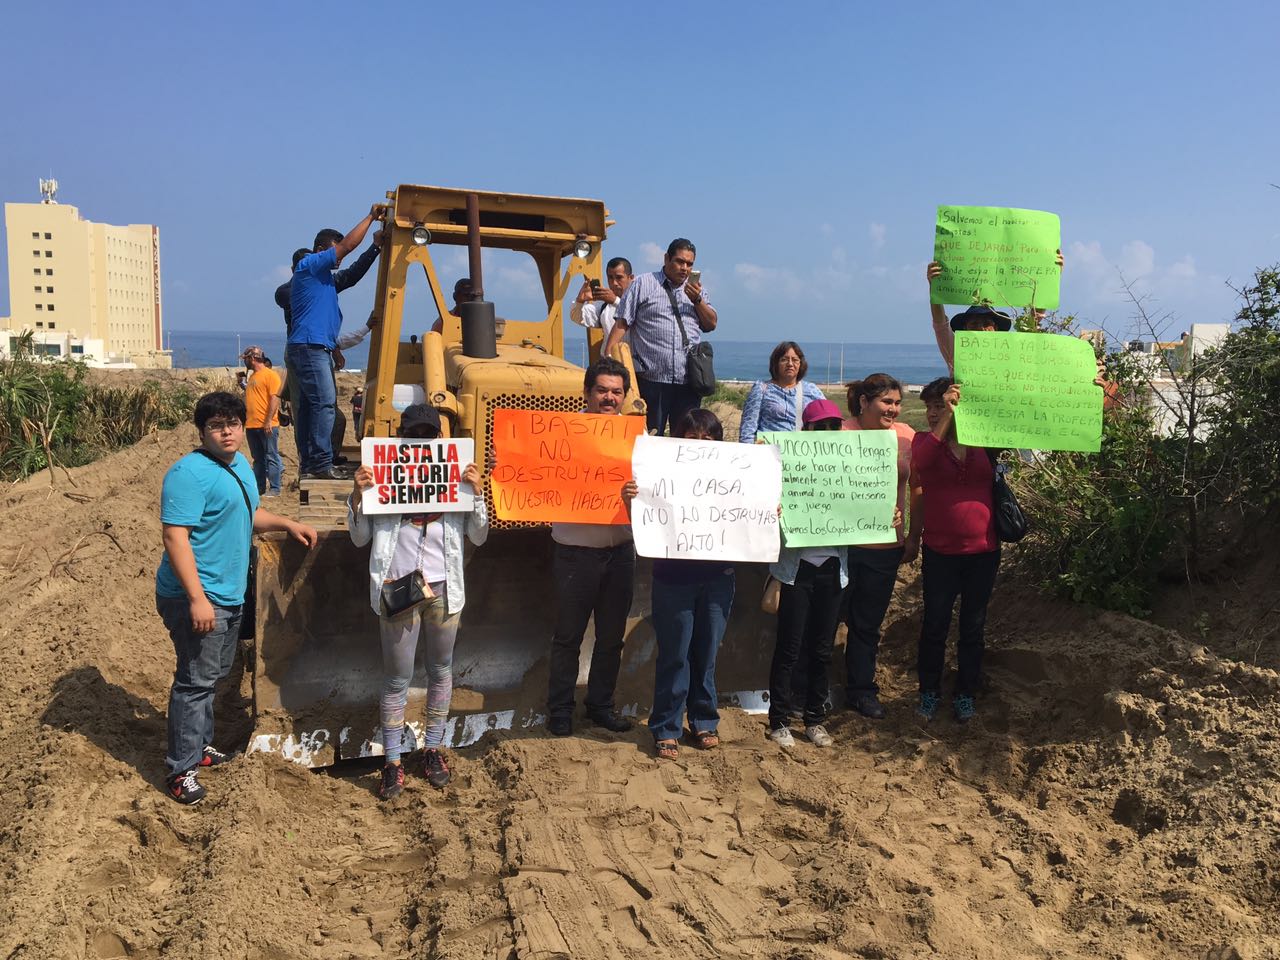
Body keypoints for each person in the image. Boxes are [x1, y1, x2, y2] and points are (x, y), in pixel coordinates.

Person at [156, 391, 318, 804]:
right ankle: (181, 769)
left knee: (212, 673)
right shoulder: (188, 474)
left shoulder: (241, 466)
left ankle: (200, 744)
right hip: (196, 593)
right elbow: (175, 537)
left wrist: (284, 522)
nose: (226, 432)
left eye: (232, 424)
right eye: (216, 425)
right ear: (202, 431)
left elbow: (248, 512)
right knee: (194, 681)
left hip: (229, 591)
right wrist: (196, 598)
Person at [348, 403, 488, 800]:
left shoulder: (457, 480)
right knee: (397, 678)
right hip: (398, 590)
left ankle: (434, 749)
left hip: (445, 589)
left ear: (439, 440)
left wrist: (477, 495)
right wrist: (357, 497)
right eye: (415, 436)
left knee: (441, 670)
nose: (423, 443)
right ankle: (392, 761)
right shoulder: (381, 478)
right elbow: (359, 538)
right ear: (402, 438)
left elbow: (478, 536)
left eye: (429, 436)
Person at [623, 408, 735, 760]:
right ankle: (666, 726)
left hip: (719, 579)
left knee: (707, 653)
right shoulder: (660, 473)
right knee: (674, 654)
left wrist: (765, 510)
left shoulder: (735, 475)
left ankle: (704, 720)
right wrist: (632, 503)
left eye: (708, 438)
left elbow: (749, 517)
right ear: (678, 440)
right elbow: (643, 522)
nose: (700, 444)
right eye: (692, 437)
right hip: (673, 578)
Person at [545, 357, 637, 736]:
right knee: (568, 636)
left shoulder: (638, 440)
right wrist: (508, 464)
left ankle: (600, 705)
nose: (609, 397)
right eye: (602, 390)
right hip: (574, 552)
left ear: (625, 396)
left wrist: (637, 491)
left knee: (612, 638)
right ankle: (560, 711)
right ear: (587, 392)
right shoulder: (561, 433)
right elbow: (535, 474)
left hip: (620, 552)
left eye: (617, 391)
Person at [906, 377, 999, 724]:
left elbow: (1038, 428)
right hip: (940, 552)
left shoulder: (986, 441)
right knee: (935, 625)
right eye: (930, 407)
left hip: (983, 551)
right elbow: (924, 462)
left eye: (939, 406)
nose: (932, 413)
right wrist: (946, 417)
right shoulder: (924, 443)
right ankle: (929, 692)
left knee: (973, 627)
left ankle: (965, 694)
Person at [766, 398, 850, 749]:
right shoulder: (785, 463)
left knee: (821, 650)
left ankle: (815, 719)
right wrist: (774, 506)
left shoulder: (849, 465)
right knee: (789, 648)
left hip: (833, 570)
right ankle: (779, 721)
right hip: (795, 570)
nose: (828, 433)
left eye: (834, 427)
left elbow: (866, 504)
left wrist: (885, 516)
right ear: (807, 429)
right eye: (821, 427)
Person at [287, 206, 384, 480]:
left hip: (312, 347)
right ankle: (320, 463)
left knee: (309, 407)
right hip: (310, 347)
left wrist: (375, 248)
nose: (337, 257)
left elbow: (352, 275)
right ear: (320, 250)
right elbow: (348, 247)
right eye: (333, 250)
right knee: (325, 404)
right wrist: (371, 218)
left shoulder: (323, 280)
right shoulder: (309, 267)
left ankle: (310, 462)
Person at [840, 374, 915, 718]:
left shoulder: (905, 437)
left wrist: (913, 535)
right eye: (887, 402)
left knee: (867, 625)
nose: (894, 409)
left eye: (898, 403)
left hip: (885, 548)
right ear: (864, 402)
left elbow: (918, 488)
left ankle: (861, 690)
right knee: (826, 621)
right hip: (838, 545)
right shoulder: (839, 432)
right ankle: (810, 689)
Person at [604, 238, 718, 435]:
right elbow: (622, 323)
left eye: (689, 264)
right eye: (679, 261)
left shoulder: (697, 290)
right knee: (648, 436)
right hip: (651, 380)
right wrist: (608, 359)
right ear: (666, 259)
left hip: (687, 381)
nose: (685, 268)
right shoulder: (643, 283)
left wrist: (697, 300)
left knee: (685, 438)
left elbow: (711, 323)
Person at [277, 232, 383, 429]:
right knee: (307, 408)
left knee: (326, 410)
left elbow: (352, 275)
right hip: (304, 349)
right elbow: (306, 315)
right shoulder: (288, 290)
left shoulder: (324, 284)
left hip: (319, 348)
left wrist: (375, 248)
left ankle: (324, 453)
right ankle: (313, 456)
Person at [925, 252, 1064, 373]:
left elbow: (1033, 320)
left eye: (986, 324)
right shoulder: (955, 352)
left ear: (996, 328)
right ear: (964, 329)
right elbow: (940, 324)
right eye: (974, 324)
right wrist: (934, 286)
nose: (981, 328)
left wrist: (1051, 277)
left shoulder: (1011, 352)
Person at [739, 341, 826, 442]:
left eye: (795, 360)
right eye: (784, 360)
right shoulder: (762, 389)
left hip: (802, 452)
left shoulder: (811, 390)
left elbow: (828, 417)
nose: (790, 364)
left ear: (800, 364)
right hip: (769, 453)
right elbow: (748, 430)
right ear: (776, 363)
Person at [240, 346, 284, 497]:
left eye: (245, 359)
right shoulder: (253, 377)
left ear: (252, 358)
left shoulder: (270, 375)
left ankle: (275, 488)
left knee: (271, 456)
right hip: (252, 425)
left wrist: (268, 421)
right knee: (258, 459)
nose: (244, 362)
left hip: (266, 424)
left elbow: (274, 398)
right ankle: (260, 488)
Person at [571, 257, 634, 344]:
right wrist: (580, 301)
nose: (614, 283)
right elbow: (577, 317)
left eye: (619, 278)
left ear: (631, 278)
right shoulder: (604, 306)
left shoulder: (640, 302)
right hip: (608, 357)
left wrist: (615, 301)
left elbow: (637, 318)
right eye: (610, 278)